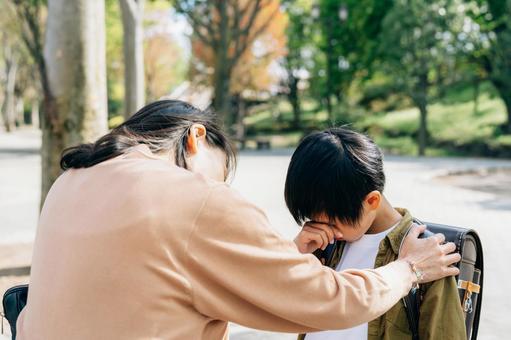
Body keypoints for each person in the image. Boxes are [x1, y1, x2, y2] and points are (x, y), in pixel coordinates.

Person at [17, 100, 460, 339]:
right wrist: (410, 268)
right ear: (194, 138)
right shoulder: (194, 198)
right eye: (221, 170)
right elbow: (328, 301)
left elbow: (162, 286)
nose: (221, 185)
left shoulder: (72, 182)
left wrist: (280, 259)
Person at [288, 127, 466, 340]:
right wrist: (294, 256)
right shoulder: (321, 246)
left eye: (332, 223)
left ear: (372, 201)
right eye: (313, 220)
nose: (321, 229)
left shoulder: (427, 255)